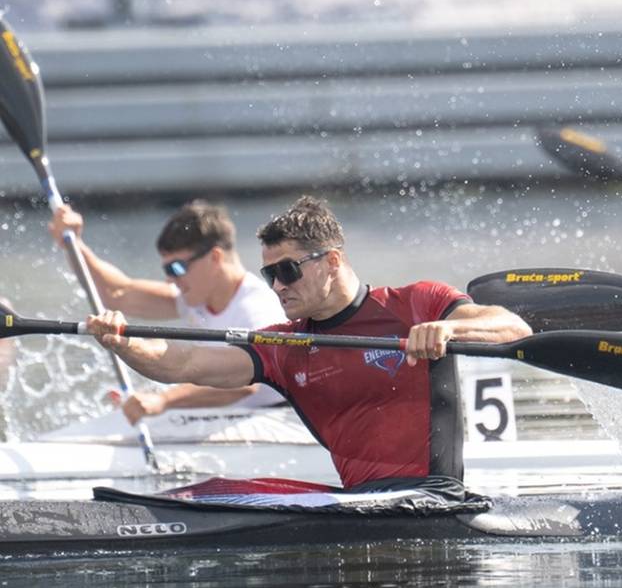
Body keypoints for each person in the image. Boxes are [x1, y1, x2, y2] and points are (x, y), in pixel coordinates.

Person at [83, 196, 532, 492]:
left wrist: (448, 331)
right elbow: (184, 363)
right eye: (269, 275)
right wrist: (123, 341)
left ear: (332, 261)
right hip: (360, 506)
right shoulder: (284, 346)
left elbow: (512, 327)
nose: (278, 286)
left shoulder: (416, 303)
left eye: (288, 270)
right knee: (213, 492)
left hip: (434, 498)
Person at [48, 200, 288, 423]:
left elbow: (243, 382)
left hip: (277, 419)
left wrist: (164, 401)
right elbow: (118, 293)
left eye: (177, 268)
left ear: (215, 257)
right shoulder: (196, 297)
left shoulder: (258, 310)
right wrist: (74, 244)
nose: (171, 279)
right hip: (230, 417)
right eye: (167, 270)